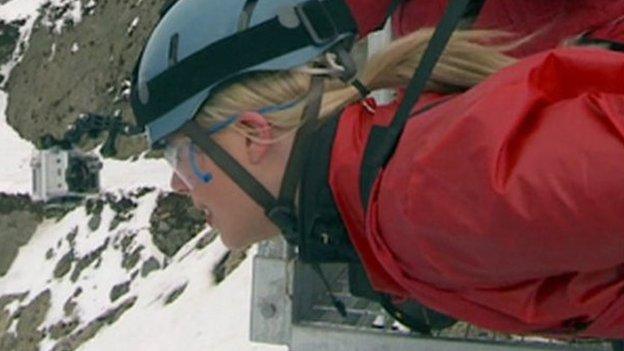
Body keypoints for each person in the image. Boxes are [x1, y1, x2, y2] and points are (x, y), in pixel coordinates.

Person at [130, 0, 624, 339]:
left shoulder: (426, 196)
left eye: (180, 155)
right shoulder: (388, 202)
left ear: (255, 135)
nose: (176, 183)